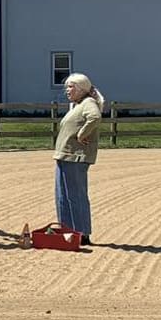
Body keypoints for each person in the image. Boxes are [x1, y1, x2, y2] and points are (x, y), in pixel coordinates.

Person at [54, 73, 105, 237]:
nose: (67, 90)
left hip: (74, 157)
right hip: (65, 156)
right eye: (67, 87)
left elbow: (95, 117)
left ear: (82, 89)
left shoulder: (88, 102)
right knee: (62, 196)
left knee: (75, 196)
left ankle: (81, 233)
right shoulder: (77, 105)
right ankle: (67, 231)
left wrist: (82, 134)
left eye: (71, 87)